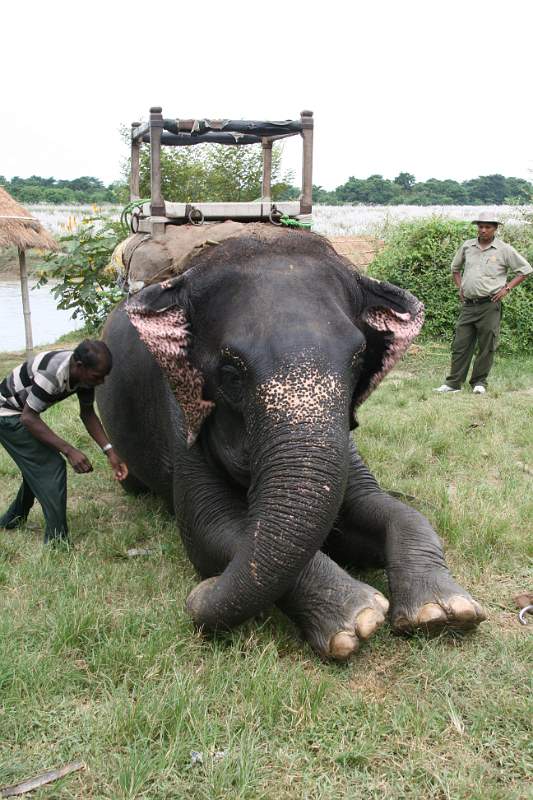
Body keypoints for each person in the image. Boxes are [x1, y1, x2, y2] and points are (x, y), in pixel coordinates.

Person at [0, 339, 128, 544]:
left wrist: (110, 451)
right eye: (98, 377)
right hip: (7, 414)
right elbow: (28, 418)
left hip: (22, 413)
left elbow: (87, 414)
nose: (101, 382)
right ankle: (57, 541)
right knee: (51, 466)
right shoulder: (53, 374)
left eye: (104, 377)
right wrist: (69, 451)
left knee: (37, 466)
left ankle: (12, 518)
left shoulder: (84, 376)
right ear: (80, 367)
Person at [434, 211, 532, 395]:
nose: (483, 230)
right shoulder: (467, 246)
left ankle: (479, 382)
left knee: (487, 345)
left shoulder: (504, 249)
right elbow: (455, 269)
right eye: (480, 226)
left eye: (488, 227)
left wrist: (507, 289)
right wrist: (460, 287)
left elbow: (525, 270)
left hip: (490, 305)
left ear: (495, 228)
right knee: (460, 344)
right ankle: (453, 383)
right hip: (469, 305)